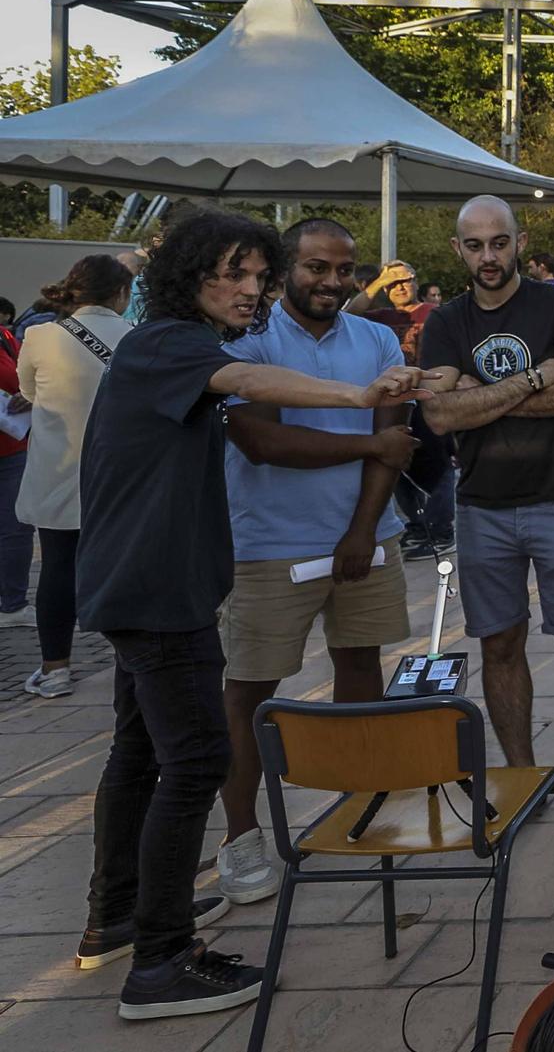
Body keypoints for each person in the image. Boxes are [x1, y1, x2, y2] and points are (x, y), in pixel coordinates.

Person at [76, 209, 431, 1020]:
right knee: (197, 759)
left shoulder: (170, 341)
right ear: (186, 276)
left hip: (147, 579)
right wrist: (359, 394)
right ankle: (161, 964)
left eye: (256, 276)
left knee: (139, 752)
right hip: (158, 587)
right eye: (230, 274)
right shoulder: (172, 342)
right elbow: (250, 387)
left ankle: (120, 914)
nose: (249, 290)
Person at [213, 218, 420, 905]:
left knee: (361, 666)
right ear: (284, 270)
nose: (333, 281)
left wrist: (362, 529)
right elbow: (261, 440)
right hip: (268, 544)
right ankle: (242, 839)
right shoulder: (248, 337)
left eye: (345, 269)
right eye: (316, 267)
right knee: (249, 691)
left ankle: (362, 805)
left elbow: (394, 434)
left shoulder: (378, 338)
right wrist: (365, 449)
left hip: (368, 535)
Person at [419, 196, 554, 850]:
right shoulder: (446, 321)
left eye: (500, 242)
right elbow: (437, 416)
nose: (489, 256)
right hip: (483, 508)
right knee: (500, 648)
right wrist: (536, 378)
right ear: (459, 250)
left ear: (520, 241)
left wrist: (477, 399)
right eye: (476, 245)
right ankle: (519, 781)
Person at [15, 255, 134, 694]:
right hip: (119, 475)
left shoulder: (40, 335)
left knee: (58, 569)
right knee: (120, 568)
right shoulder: (135, 337)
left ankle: (55, 669)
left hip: (58, 470)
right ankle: (130, 662)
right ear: (121, 293)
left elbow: (28, 391)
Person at [0, 314, 31, 629]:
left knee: (16, 528)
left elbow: (27, 375)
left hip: (12, 446)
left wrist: (28, 395)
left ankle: (13, 606)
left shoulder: (5, 338)